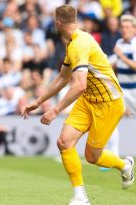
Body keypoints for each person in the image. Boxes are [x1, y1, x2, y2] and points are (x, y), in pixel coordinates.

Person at [22, 5, 134, 205]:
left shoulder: (79, 44)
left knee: (92, 156)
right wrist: (39, 102)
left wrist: (55, 110)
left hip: (108, 102)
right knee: (64, 142)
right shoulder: (74, 42)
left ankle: (124, 165)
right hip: (88, 99)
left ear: (58, 23)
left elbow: (79, 84)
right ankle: (80, 197)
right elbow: (63, 77)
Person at [101, 14, 136, 171]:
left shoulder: (135, 44)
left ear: (134, 29)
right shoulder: (119, 42)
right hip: (123, 90)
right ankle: (113, 156)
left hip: (134, 89)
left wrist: (121, 56)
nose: (125, 30)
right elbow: (113, 63)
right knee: (112, 118)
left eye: (128, 27)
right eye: (123, 27)